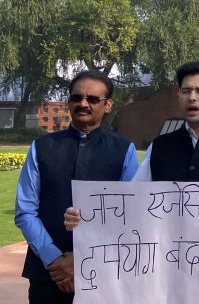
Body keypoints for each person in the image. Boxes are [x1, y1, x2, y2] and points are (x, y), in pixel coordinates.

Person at [66, 61, 199, 244]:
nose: (192, 97)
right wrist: (85, 216)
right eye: (186, 91)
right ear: (179, 97)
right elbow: (132, 199)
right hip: (168, 264)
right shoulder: (160, 146)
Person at [15, 70, 138, 303]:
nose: (83, 104)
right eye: (76, 98)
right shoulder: (42, 147)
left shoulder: (124, 150)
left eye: (92, 99)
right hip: (49, 273)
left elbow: (129, 215)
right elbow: (25, 211)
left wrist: (82, 258)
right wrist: (54, 259)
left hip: (103, 272)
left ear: (108, 105)